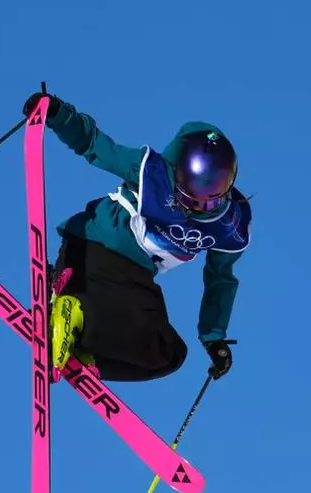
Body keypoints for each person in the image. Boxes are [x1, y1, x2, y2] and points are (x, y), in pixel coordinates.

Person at [22, 90, 252, 383]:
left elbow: (220, 277)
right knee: (150, 341)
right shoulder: (152, 171)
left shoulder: (229, 226)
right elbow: (95, 145)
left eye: (207, 200)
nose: (195, 205)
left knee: (167, 354)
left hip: (134, 278)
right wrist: (57, 114)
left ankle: (84, 350)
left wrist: (214, 335)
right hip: (94, 250)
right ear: (178, 171)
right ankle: (73, 310)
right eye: (189, 193)